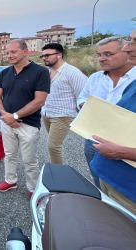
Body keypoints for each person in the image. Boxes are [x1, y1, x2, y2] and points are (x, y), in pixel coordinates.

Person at [77, 36, 136, 188]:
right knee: (99, 177)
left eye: (108, 54)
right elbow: (81, 98)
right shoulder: (95, 78)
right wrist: (87, 106)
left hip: (126, 146)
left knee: (122, 187)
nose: (102, 59)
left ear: (124, 51)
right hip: (93, 139)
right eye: (99, 55)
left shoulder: (133, 79)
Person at [0, 39, 50, 197]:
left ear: (25, 52)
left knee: (29, 160)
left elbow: (39, 100)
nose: (9, 55)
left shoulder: (40, 72)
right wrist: (5, 115)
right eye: (7, 53)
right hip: (7, 122)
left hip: (28, 124)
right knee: (9, 155)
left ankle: (33, 189)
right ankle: (10, 180)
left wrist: (16, 116)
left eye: (13, 52)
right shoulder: (5, 72)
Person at [90, 29, 136, 214]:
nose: (127, 48)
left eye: (133, 42)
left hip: (129, 190)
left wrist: (119, 152)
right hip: (109, 175)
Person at [40, 43, 87, 164]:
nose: (44, 58)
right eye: (43, 56)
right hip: (47, 113)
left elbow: (83, 96)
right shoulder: (47, 72)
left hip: (63, 115)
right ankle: (57, 171)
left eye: (47, 55)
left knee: (53, 146)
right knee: (53, 146)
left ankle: (59, 175)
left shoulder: (72, 73)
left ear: (59, 55)